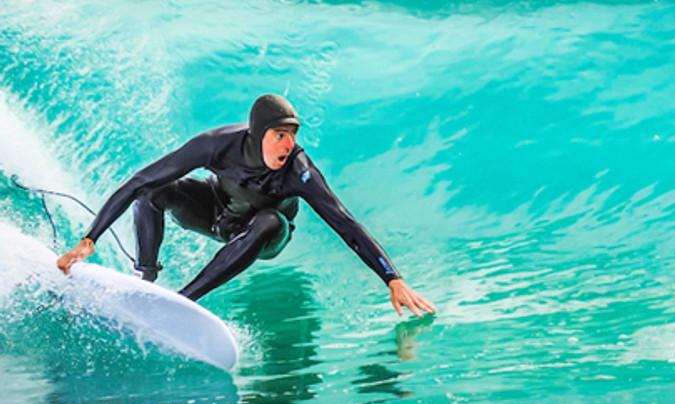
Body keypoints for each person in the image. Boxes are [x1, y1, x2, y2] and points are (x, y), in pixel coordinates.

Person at [56, 94, 436, 317]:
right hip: (218, 213)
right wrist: (90, 238)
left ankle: (181, 302)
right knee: (153, 192)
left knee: (269, 220)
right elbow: (142, 179)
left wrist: (392, 277)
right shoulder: (216, 145)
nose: (288, 146)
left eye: (292, 136)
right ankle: (147, 280)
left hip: (265, 234)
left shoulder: (298, 173)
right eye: (279, 135)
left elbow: (345, 224)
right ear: (257, 134)